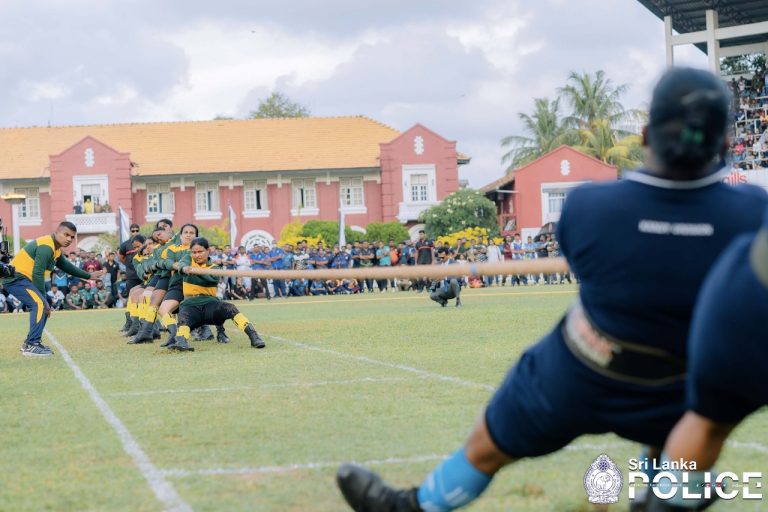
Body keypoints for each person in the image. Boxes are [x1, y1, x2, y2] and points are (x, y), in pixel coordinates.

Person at [335, 68, 768, 512]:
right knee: (700, 419)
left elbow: (591, 263)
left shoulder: (590, 206)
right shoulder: (755, 215)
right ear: (724, 142)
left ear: (644, 135)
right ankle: (670, 494)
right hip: (683, 384)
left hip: (582, 369)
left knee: (486, 446)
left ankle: (415, 506)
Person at [646, 209, 768, 512]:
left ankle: (666, 501)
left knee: (707, 420)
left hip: (754, 281)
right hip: (756, 281)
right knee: (708, 419)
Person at [0, 222, 105, 356]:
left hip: (23, 280)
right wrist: (43, 299)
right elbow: (37, 273)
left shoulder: (56, 249)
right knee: (40, 304)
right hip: (16, 279)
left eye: (72, 237)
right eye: (66, 235)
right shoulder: (46, 246)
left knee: (44, 304)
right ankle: (32, 344)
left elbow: (67, 266)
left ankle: (31, 342)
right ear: (57, 232)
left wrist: (89, 275)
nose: (69, 239)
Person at [165, 237, 265, 352]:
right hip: (190, 306)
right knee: (183, 319)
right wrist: (184, 267)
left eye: (200, 251)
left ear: (208, 251)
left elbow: (211, 280)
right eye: (194, 252)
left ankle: (254, 336)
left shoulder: (214, 268)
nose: (197, 255)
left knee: (231, 308)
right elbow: (183, 262)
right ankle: (181, 342)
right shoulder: (188, 259)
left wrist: (196, 272)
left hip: (210, 306)